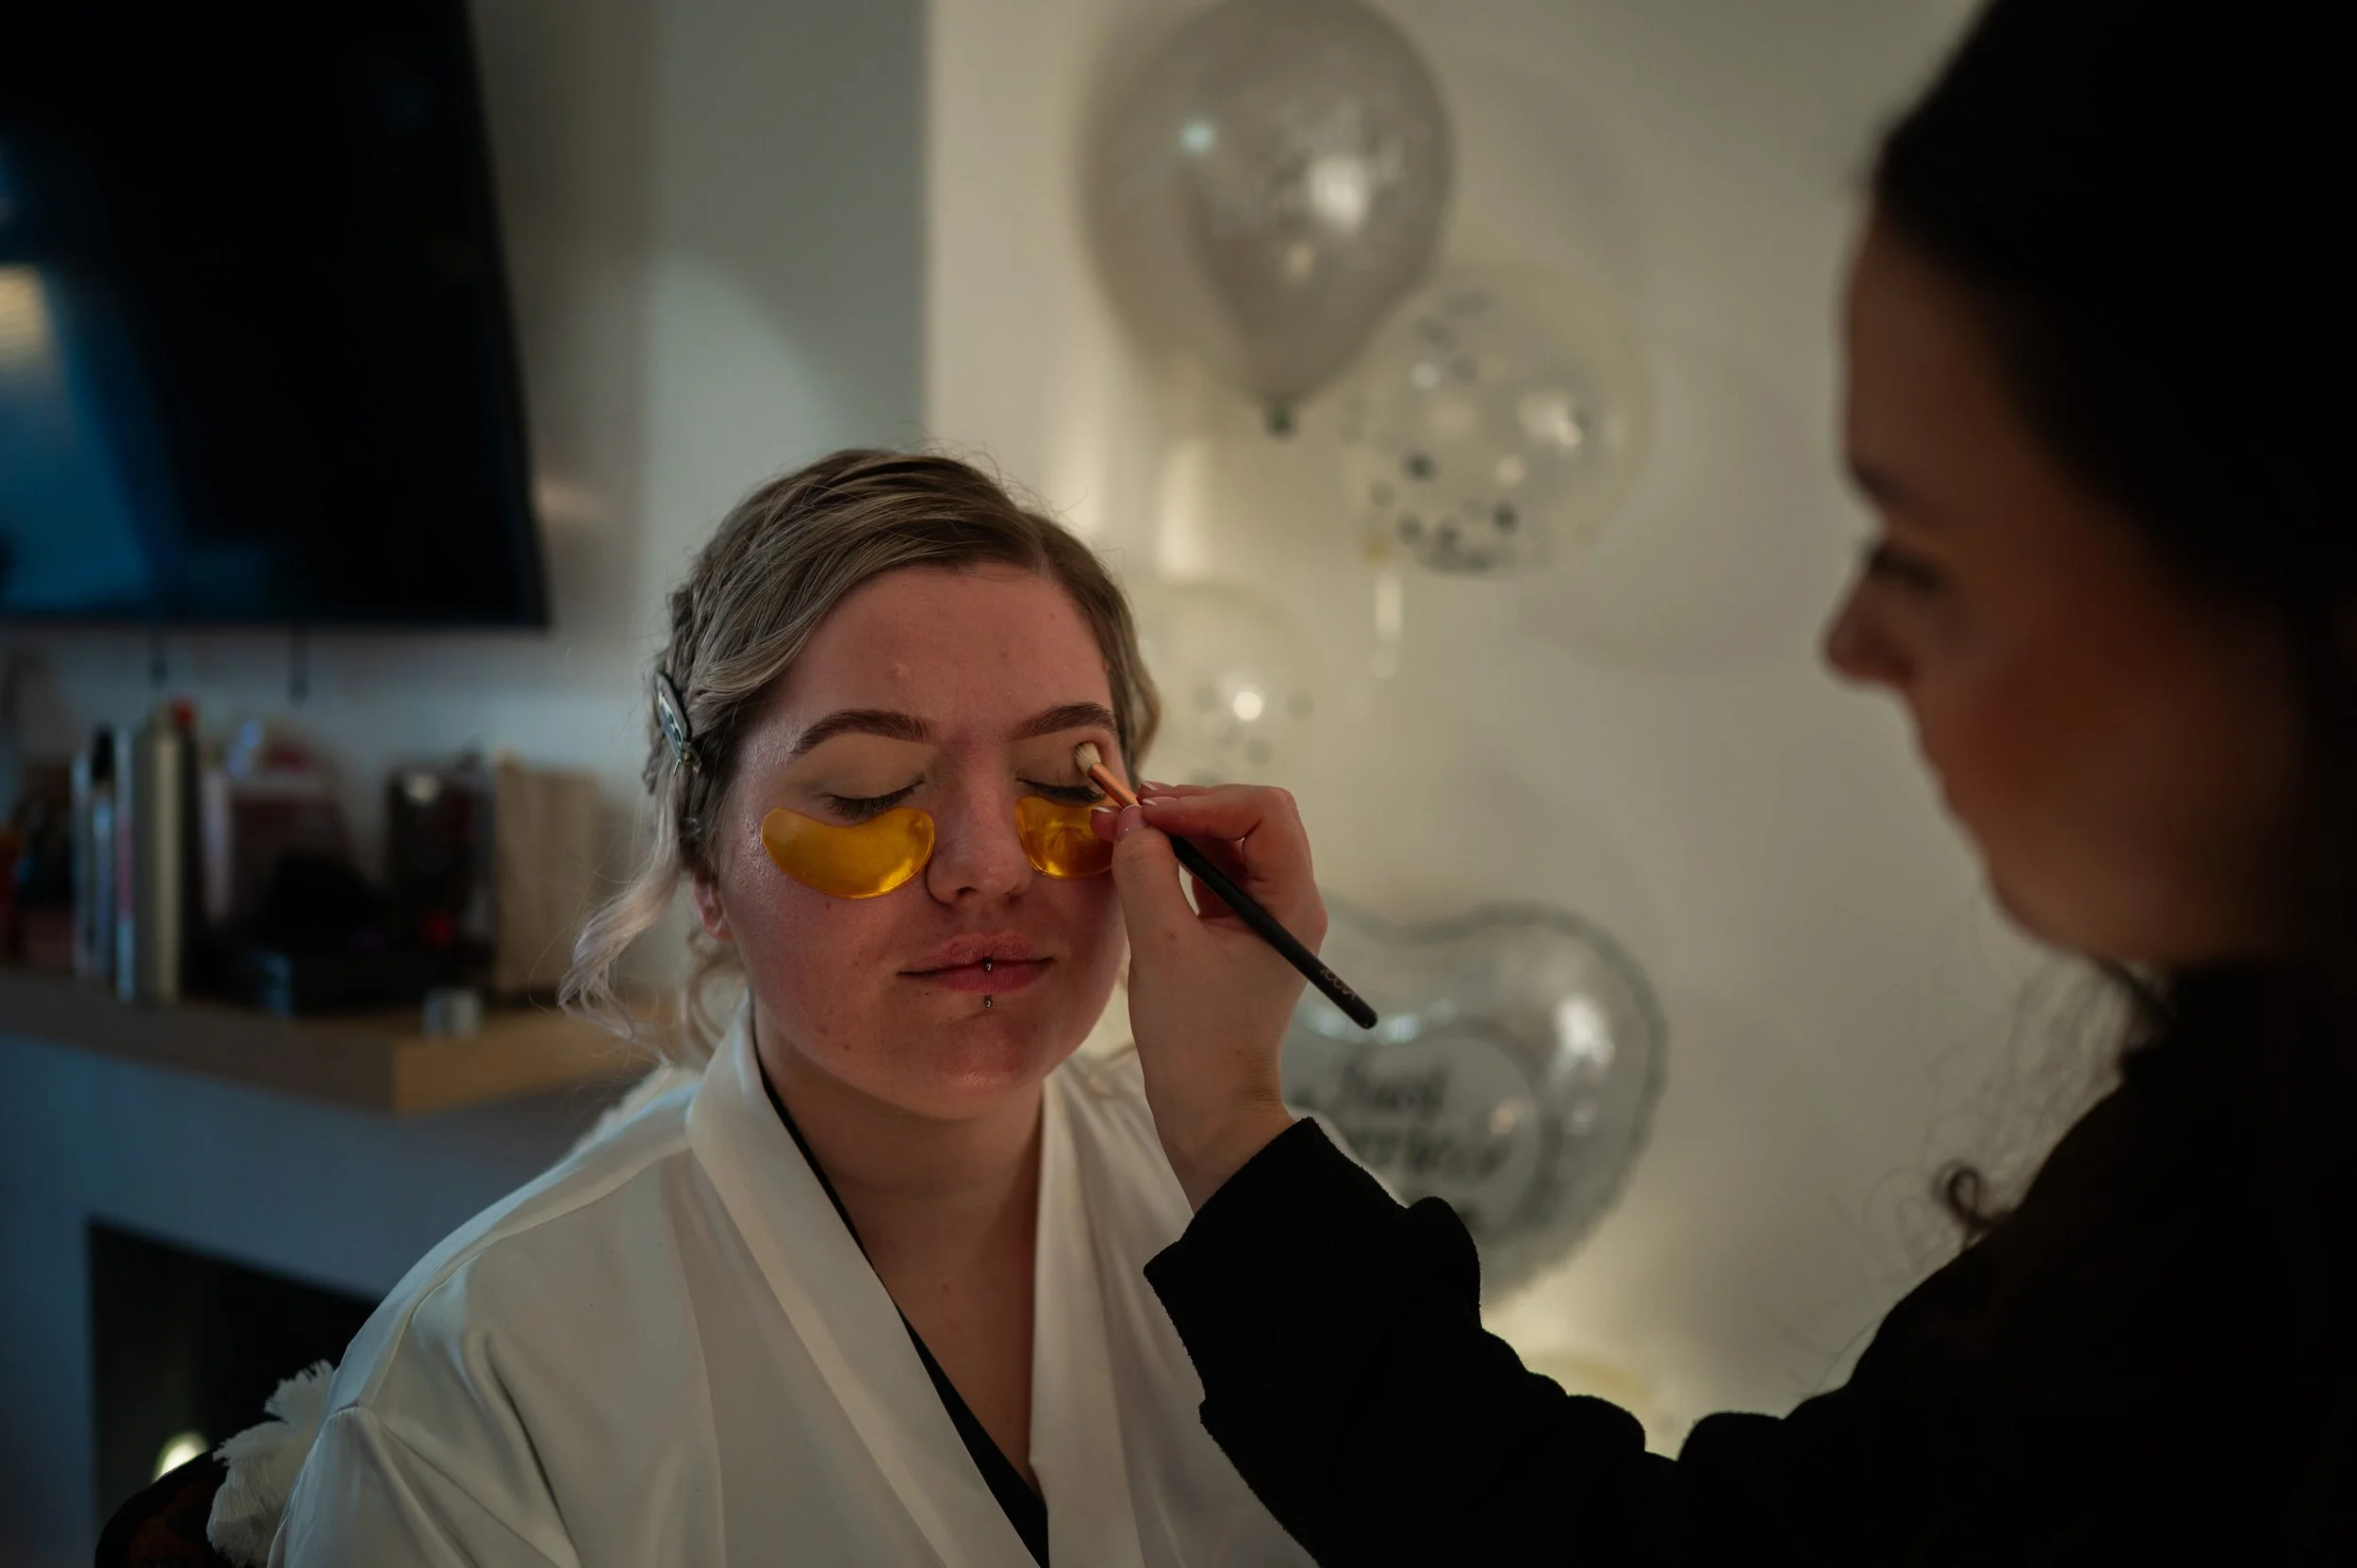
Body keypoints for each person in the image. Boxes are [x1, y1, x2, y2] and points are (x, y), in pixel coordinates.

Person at [1096, 1, 2355, 1561]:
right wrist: (1225, 1110)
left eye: (1920, 554)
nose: (1850, 642)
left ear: (2279, 591)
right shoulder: (2244, 1128)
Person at [271, 451, 1313, 1566]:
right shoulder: (483, 1382)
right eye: (868, 790)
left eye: (1067, 780)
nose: (990, 866)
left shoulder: (1274, 1231)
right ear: (706, 871)